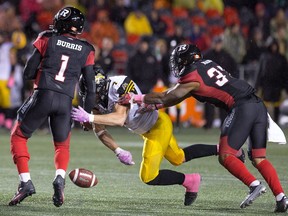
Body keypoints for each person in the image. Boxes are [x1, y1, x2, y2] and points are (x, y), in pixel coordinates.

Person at [117, 44, 288, 213]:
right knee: (259, 158)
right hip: (257, 105)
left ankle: (254, 185)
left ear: (185, 60)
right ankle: (281, 197)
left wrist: (137, 97)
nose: (176, 65)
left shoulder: (191, 74)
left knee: (226, 156)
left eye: (178, 61)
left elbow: (170, 94)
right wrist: (155, 107)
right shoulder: (207, 65)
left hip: (242, 107)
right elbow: (178, 96)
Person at [71, 66, 245, 206]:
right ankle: (228, 151)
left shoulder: (119, 85)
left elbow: (119, 118)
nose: (92, 99)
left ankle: (190, 180)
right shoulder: (93, 98)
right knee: (178, 157)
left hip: (157, 126)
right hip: (148, 130)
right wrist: (117, 150)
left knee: (148, 176)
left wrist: (90, 117)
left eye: (94, 94)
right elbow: (100, 129)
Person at [9, 7, 96, 207]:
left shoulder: (47, 38)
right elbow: (90, 88)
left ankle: (25, 182)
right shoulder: (87, 48)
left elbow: (28, 72)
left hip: (44, 94)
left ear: (62, 23)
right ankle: (60, 178)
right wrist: (87, 115)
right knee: (62, 145)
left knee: (19, 136)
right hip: (66, 101)